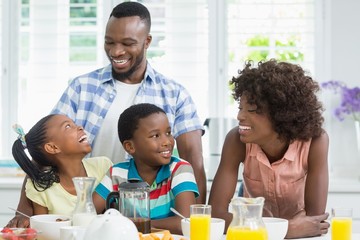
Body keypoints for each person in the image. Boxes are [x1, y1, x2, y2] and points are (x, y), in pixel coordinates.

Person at [7, 1, 205, 228]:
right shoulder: (81, 87)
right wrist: (24, 208)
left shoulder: (174, 94)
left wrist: (196, 225)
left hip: (150, 215)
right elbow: (46, 146)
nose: (116, 51)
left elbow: (194, 162)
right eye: (109, 42)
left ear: (147, 41)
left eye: (127, 43)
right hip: (97, 212)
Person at [208, 59, 330, 238]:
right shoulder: (236, 140)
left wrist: (258, 228)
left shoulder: (316, 142)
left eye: (251, 110)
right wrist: (288, 230)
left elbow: (314, 222)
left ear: (282, 114)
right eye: (241, 108)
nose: (240, 116)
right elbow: (215, 216)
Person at [93, 103, 199, 234]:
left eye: (168, 133)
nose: (167, 141)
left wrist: (136, 225)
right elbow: (90, 215)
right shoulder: (116, 174)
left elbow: (185, 223)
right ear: (130, 146)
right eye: (155, 135)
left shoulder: (180, 169)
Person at [11, 114, 112, 217]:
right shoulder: (42, 190)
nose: (80, 127)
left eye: (74, 123)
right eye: (68, 126)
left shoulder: (104, 166)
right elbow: (42, 230)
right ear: (52, 147)